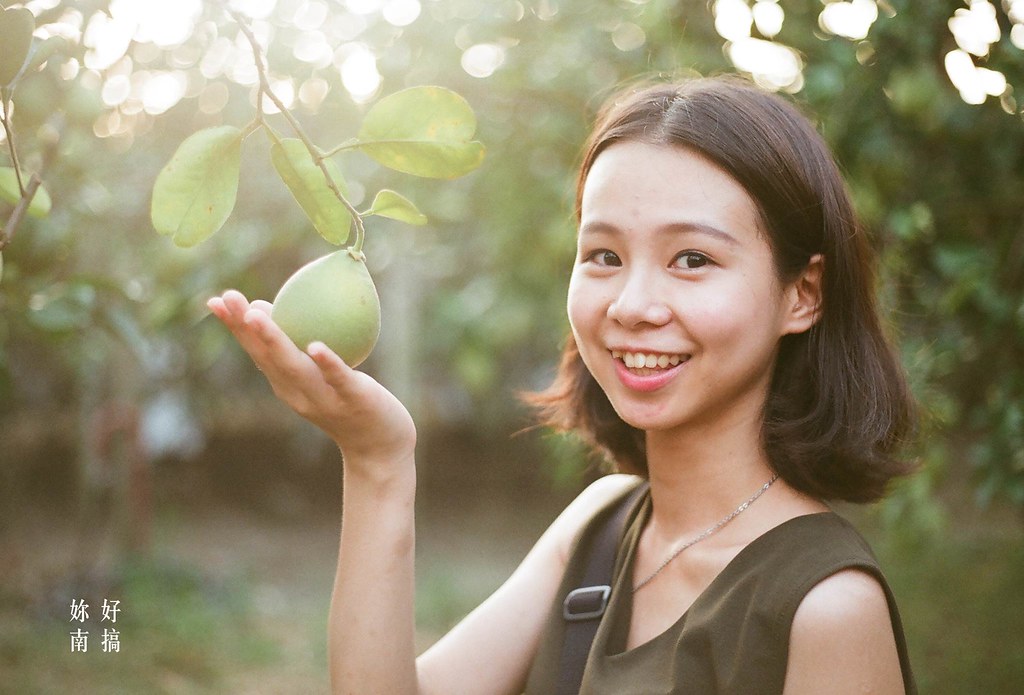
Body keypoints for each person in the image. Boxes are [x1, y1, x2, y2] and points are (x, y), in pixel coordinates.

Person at [207, 75, 918, 694]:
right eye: (604, 253)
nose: (632, 303)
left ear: (803, 294)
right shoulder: (601, 524)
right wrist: (375, 460)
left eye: (692, 258)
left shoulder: (827, 607)